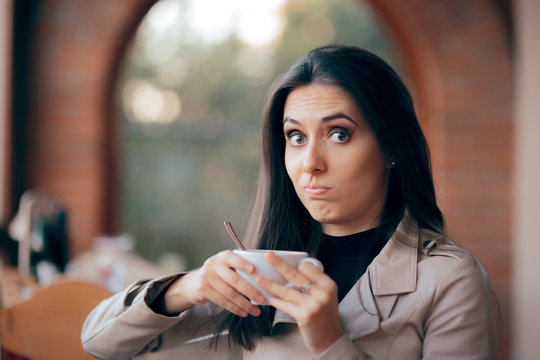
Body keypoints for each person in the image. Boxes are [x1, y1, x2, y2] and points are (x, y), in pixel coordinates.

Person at [81, 45, 498, 359]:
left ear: (391, 146)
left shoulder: (449, 280)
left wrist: (331, 341)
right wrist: (188, 286)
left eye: (339, 134)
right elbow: (98, 341)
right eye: (296, 137)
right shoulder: (262, 267)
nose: (310, 163)